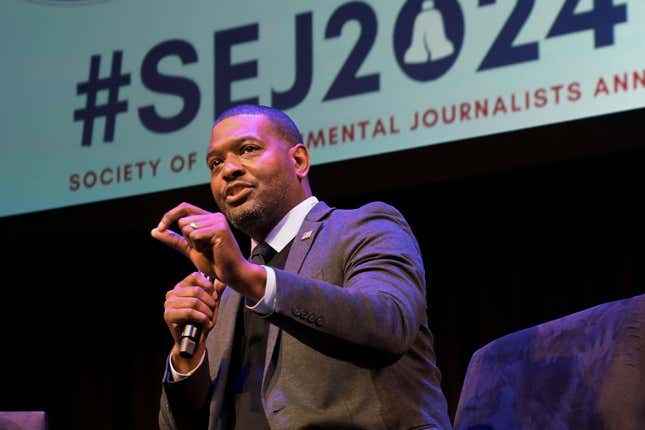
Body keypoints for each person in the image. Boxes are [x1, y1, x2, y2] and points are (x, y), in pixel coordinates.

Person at [151, 104, 453, 429]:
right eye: (215, 163)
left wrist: (249, 278)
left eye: (248, 149)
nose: (229, 169)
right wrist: (187, 357)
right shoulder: (222, 292)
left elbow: (388, 326)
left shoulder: (364, 227)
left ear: (299, 160)